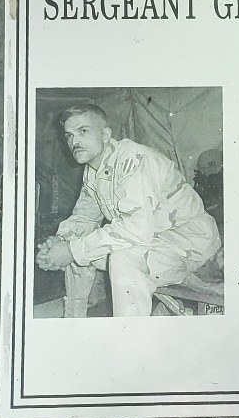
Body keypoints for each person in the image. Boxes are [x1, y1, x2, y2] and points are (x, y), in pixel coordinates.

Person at [36, 103, 221, 317]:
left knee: (121, 257)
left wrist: (71, 250)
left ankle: (130, 337)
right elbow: (84, 216)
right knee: (77, 243)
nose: (74, 141)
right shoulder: (93, 170)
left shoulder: (134, 160)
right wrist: (60, 243)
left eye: (83, 131)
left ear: (105, 134)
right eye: (69, 136)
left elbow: (135, 230)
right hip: (153, 242)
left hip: (189, 243)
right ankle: (74, 318)